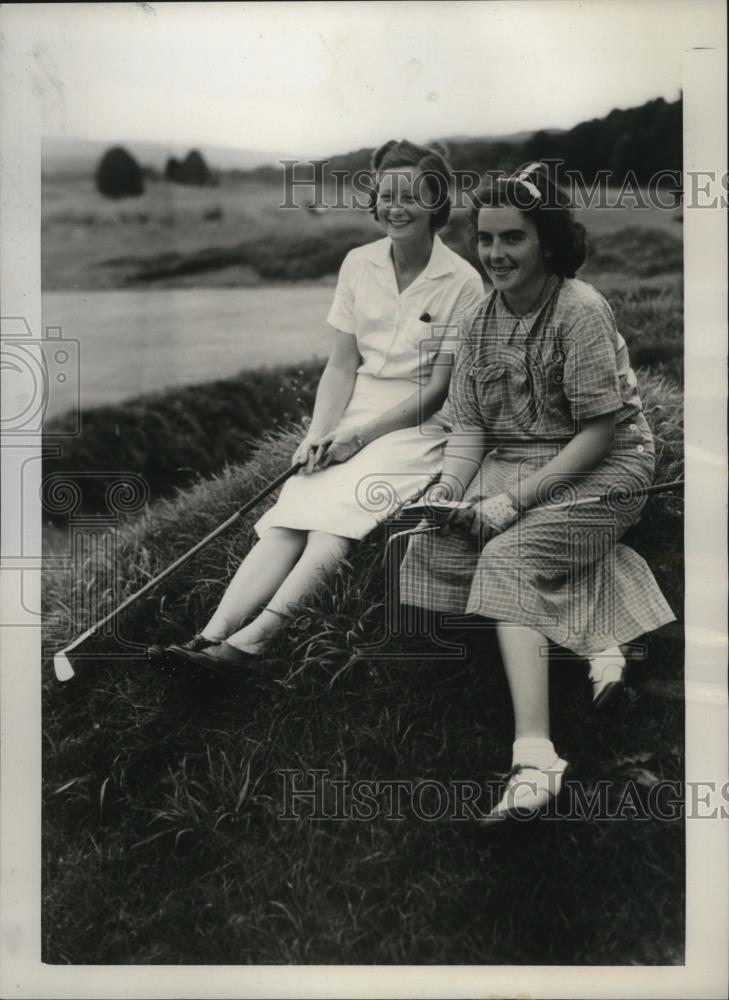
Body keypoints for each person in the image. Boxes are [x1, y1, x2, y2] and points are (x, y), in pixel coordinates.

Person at [399, 162, 675, 824]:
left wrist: (509, 504)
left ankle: (534, 757)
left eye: (511, 238)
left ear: (547, 241)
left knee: (505, 557)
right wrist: (447, 491)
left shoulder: (579, 309)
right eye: (484, 238)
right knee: (427, 552)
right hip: (522, 460)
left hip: (604, 466)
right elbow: (467, 430)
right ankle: (600, 636)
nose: (494, 254)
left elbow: (599, 432)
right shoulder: (477, 317)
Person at [150, 139, 484, 678]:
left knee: (336, 523)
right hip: (356, 411)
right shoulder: (358, 264)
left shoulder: (464, 282)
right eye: (385, 194)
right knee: (291, 515)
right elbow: (342, 366)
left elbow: (438, 390)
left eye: (411, 196)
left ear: (436, 203)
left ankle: (250, 645)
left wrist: (360, 437)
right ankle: (207, 637)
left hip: (418, 425)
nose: (395, 206)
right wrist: (321, 432)